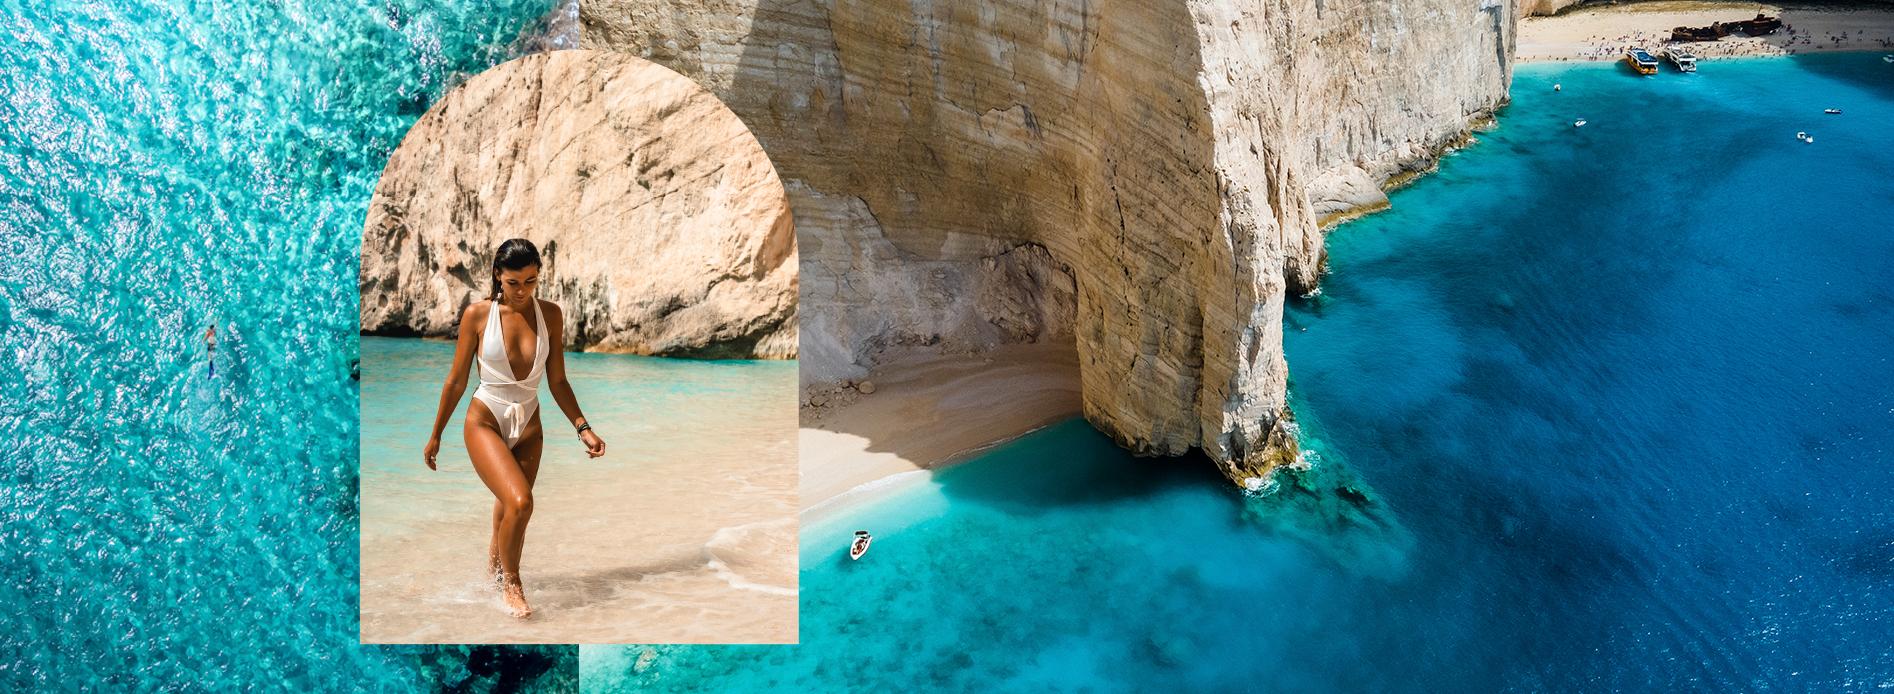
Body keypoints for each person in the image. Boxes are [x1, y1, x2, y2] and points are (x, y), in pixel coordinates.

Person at [421, 238, 606, 618]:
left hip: (529, 426)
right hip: (485, 419)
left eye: (531, 281)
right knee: (521, 503)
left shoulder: (551, 315)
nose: (522, 291)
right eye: (513, 283)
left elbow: (557, 381)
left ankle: (492, 575)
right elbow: (456, 381)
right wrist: (436, 434)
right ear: (497, 276)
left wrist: (583, 427)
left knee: (509, 508)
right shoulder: (477, 315)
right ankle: (513, 584)